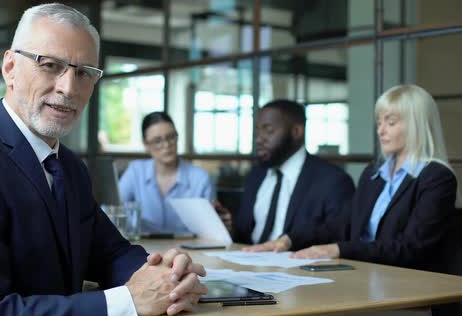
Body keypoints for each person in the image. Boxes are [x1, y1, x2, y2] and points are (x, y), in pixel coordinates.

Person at [0, 3, 206, 316]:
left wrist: (167, 271)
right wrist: (129, 301)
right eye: (50, 65)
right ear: (10, 67)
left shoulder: (69, 166)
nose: (68, 88)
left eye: (84, 73)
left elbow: (110, 253)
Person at [246, 85, 458, 271]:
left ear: (416, 126)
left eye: (391, 122)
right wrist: (288, 240)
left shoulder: (437, 178)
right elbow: (341, 224)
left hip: (409, 287)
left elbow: (412, 247)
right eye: (379, 122)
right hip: (364, 275)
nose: (381, 130)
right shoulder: (373, 174)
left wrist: (339, 249)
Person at [214, 99, 355, 245]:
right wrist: (230, 226)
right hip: (250, 262)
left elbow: (339, 235)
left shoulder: (332, 180)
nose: (258, 139)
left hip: (298, 264)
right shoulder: (256, 176)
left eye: (268, 131)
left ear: (296, 132)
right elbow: (246, 235)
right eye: (257, 131)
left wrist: (291, 241)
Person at [119, 111, 214, 233]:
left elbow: (212, 229)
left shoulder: (201, 178)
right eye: (157, 140)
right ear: (146, 144)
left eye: (171, 137)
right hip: (144, 246)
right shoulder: (135, 172)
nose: (166, 145)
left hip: (188, 248)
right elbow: (113, 208)